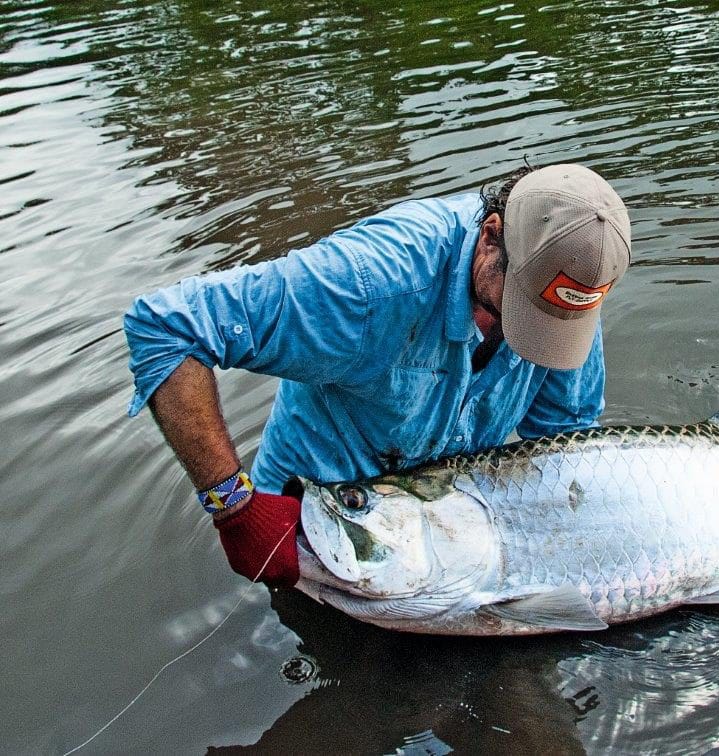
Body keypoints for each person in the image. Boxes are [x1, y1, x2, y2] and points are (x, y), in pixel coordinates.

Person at [124, 163, 631, 588]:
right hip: (327, 528)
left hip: (451, 532)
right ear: (491, 235)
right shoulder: (370, 283)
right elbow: (167, 327)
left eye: (548, 324)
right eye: (515, 311)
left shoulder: (564, 283)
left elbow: (563, 437)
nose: (524, 337)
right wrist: (236, 509)